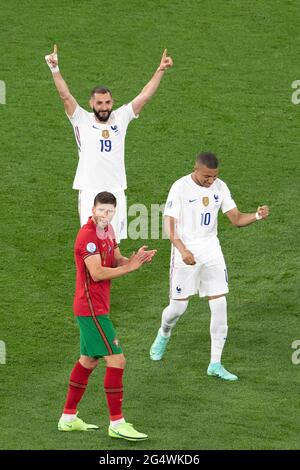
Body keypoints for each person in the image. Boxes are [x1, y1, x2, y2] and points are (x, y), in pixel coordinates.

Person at [150, 152, 269, 380]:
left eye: (214, 176)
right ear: (195, 168)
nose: (210, 181)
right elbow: (169, 224)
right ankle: (164, 333)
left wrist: (257, 215)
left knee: (220, 303)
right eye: (207, 176)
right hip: (185, 250)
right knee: (177, 309)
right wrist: (182, 249)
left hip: (211, 250)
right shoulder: (180, 188)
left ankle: (215, 363)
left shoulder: (220, 187)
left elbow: (235, 219)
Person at [45, 45, 173, 241]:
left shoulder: (121, 117)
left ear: (112, 103)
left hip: (115, 189)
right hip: (90, 190)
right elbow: (65, 96)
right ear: (91, 103)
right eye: (99, 103)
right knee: (91, 242)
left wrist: (160, 70)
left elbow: (145, 96)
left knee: (113, 243)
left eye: (107, 103)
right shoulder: (81, 119)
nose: (104, 107)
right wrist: (55, 69)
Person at [58, 191, 156, 441]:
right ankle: (117, 423)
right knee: (117, 360)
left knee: (88, 360)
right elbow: (98, 273)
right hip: (90, 308)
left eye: (110, 211)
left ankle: (68, 418)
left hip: (96, 306)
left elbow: (114, 259)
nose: (105, 215)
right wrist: (129, 268)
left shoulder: (109, 230)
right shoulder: (87, 236)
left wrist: (134, 259)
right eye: (101, 210)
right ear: (92, 209)